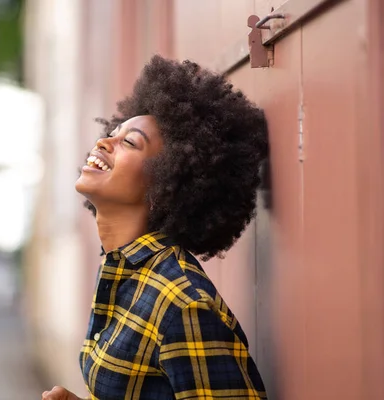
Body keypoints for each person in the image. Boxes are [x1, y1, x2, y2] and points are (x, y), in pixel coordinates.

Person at [42, 55, 268, 400]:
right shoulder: (126, 274)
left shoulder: (183, 303)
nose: (103, 143)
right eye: (112, 133)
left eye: (130, 142)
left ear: (166, 184)